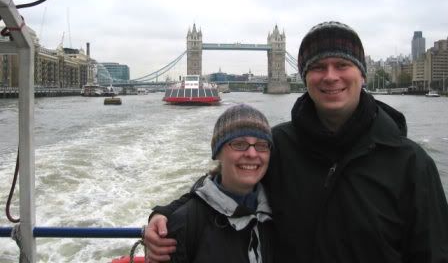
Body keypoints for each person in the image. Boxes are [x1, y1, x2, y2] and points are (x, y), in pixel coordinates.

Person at [144, 21, 448, 262]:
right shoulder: (277, 146)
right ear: (304, 76)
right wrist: (166, 213)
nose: (330, 76)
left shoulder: (412, 164)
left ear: (363, 75)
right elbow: (222, 185)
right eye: (317, 67)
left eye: (342, 65)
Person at [145, 104, 275, 263]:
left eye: (262, 145)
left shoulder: (282, 210)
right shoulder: (185, 224)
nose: (252, 153)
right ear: (218, 153)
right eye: (239, 144)